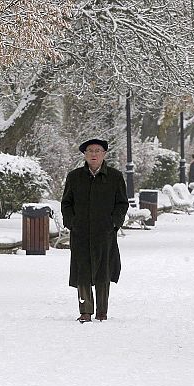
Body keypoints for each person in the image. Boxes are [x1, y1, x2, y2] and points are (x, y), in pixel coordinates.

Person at [61, 138, 129, 323]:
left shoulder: (115, 177)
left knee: (103, 272)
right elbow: (66, 203)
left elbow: (122, 203)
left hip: (105, 233)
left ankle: (102, 311)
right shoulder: (74, 177)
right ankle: (85, 310)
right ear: (84, 154)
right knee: (82, 272)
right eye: (90, 150)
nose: (93, 154)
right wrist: (72, 222)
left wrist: (114, 223)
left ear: (104, 154)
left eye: (97, 150)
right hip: (80, 233)